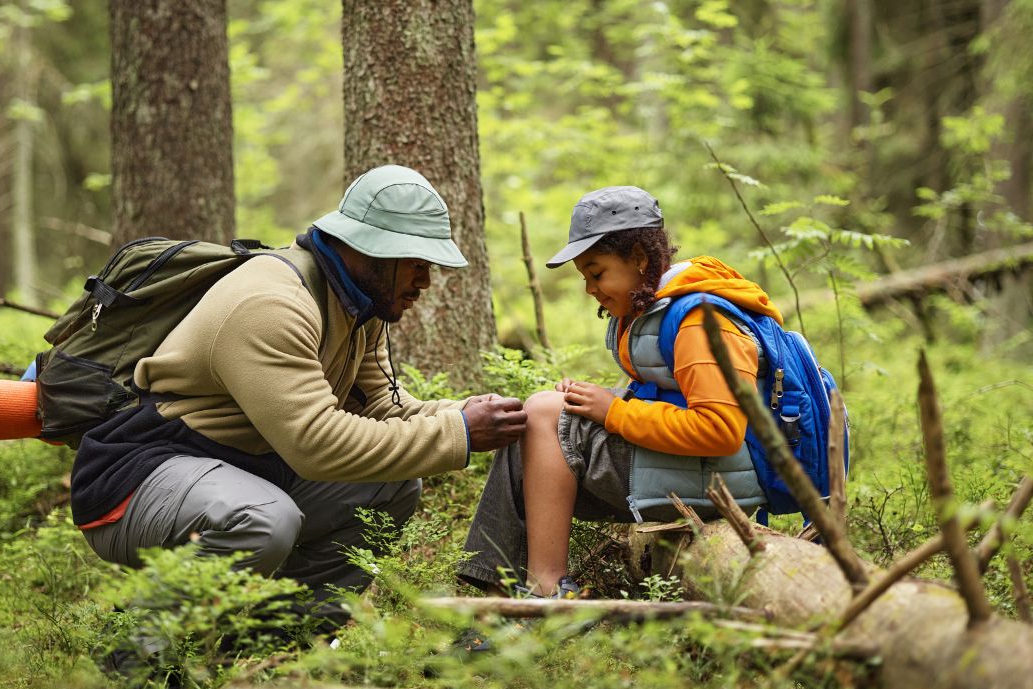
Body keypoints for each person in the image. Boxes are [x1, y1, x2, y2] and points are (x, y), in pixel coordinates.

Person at [70, 164, 527, 621]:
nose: (425, 282)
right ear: (370, 251)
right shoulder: (272, 305)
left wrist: (466, 413)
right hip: (136, 481)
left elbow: (386, 407)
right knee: (265, 519)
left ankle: (281, 650)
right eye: (416, 263)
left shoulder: (358, 306)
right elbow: (316, 444)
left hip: (243, 470)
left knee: (390, 486)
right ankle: (132, 655)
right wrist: (460, 433)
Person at [459, 186, 773, 597]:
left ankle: (546, 591)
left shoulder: (699, 321)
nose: (590, 288)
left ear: (639, 258)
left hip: (716, 486)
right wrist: (596, 402)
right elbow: (668, 399)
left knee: (544, 414)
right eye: (585, 277)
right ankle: (504, 600)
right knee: (534, 422)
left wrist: (612, 412)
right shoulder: (657, 310)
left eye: (597, 272)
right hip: (685, 474)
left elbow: (720, 429)